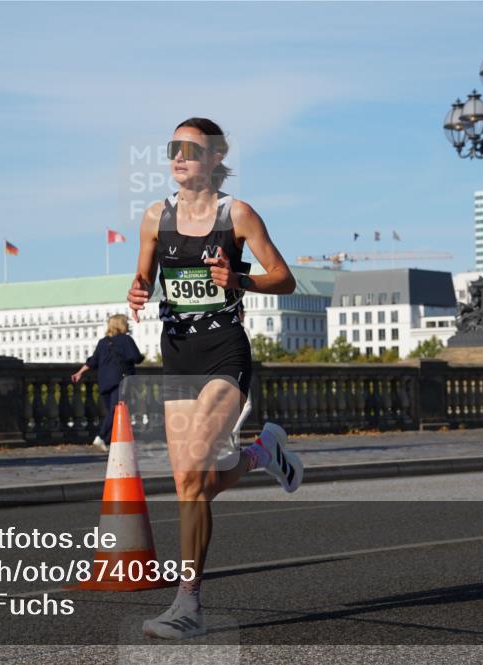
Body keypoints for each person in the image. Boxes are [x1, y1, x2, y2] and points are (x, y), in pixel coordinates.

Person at [127, 117, 302, 640]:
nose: (178, 157)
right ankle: (260, 454)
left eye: (190, 149)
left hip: (225, 352)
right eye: (172, 148)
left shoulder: (238, 215)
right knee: (189, 482)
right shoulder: (155, 216)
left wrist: (241, 279)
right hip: (177, 353)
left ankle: (188, 605)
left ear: (214, 160)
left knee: (193, 473)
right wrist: (137, 291)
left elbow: (285, 279)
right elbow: (144, 275)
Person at [71, 313, 145, 451]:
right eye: (126, 323)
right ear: (121, 325)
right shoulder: (126, 339)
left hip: (104, 382)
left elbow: (93, 361)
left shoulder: (103, 342)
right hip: (121, 380)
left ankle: (111, 442)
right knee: (117, 410)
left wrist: (80, 372)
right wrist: (141, 357)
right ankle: (101, 437)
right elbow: (136, 357)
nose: (128, 325)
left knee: (112, 412)